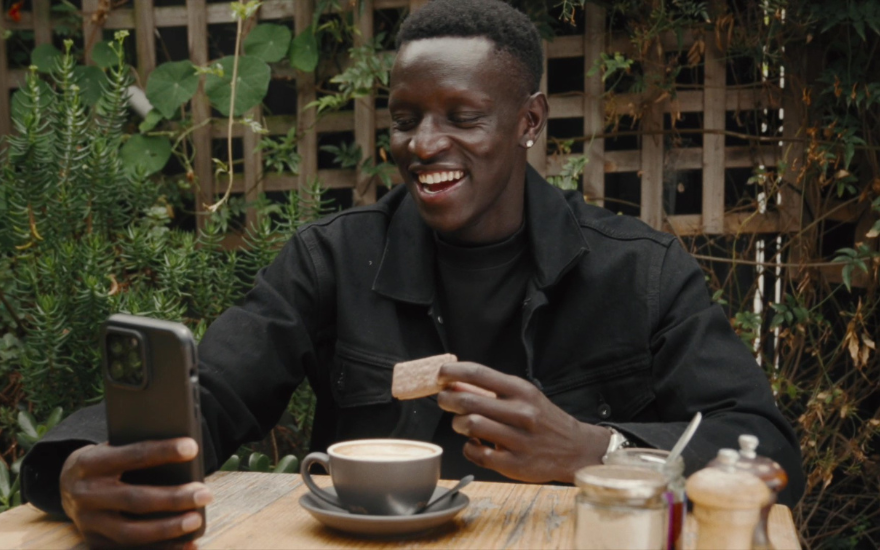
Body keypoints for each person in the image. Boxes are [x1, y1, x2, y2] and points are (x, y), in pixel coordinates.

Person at [20, 0, 805, 546]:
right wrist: (70, 473)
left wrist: (594, 450)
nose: (423, 144)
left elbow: (761, 441)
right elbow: (214, 394)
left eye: (461, 117)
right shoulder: (331, 258)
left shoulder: (639, 271)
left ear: (528, 121)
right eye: (405, 118)